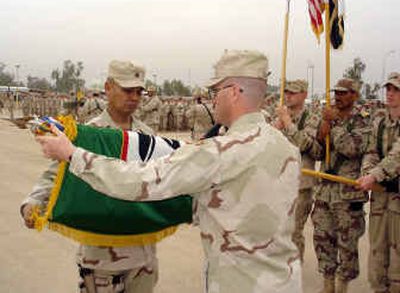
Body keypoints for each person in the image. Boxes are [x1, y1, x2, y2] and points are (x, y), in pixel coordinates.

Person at [36, 49, 302, 293]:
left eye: (215, 92)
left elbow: (138, 180)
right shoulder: (287, 149)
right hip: (285, 281)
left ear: (232, 92)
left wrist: (72, 154)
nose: (212, 100)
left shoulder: (219, 152)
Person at [21, 60, 158, 293]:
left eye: (138, 91)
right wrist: (33, 201)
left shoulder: (147, 135)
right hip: (102, 258)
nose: (134, 97)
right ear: (108, 88)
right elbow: (57, 173)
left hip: (143, 257)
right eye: (127, 90)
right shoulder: (88, 134)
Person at [310, 78, 370, 293]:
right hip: (325, 191)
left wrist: (334, 125)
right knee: (322, 239)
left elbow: (351, 148)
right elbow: (317, 152)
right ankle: (328, 285)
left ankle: (342, 286)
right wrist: (323, 128)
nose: (338, 96)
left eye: (344, 93)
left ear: (354, 95)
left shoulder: (363, 121)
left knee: (347, 244)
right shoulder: (328, 117)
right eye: (336, 92)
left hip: (347, 194)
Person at [358, 72, 400, 293]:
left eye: (396, 90)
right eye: (389, 89)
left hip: (397, 200)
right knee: (377, 255)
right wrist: (368, 173)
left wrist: (374, 176)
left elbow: (396, 156)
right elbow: (371, 151)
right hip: (380, 198)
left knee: (397, 261)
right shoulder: (380, 123)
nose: (391, 94)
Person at [274, 79, 320, 262]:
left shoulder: (312, 118)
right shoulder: (279, 115)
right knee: (276, 230)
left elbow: (305, 144)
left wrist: (287, 122)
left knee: (293, 232)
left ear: (304, 95)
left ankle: (294, 269)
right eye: (287, 92)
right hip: (278, 180)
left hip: (300, 183)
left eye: (293, 92)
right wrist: (274, 128)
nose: (288, 96)